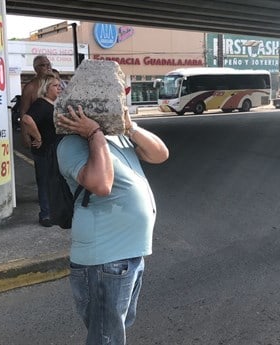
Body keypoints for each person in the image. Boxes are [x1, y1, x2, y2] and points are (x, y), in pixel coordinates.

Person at [56, 104, 169, 344]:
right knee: (106, 338)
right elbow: (101, 184)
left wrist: (130, 127)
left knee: (116, 330)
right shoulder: (72, 145)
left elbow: (160, 154)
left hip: (130, 254)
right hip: (104, 258)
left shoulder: (120, 137)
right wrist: (94, 133)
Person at [20, 76, 63, 227]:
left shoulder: (54, 104)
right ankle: (45, 214)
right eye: (55, 86)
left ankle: (54, 211)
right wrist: (37, 137)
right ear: (46, 88)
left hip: (55, 149)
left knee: (55, 181)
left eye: (59, 85)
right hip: (44, 150)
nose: (59, 88)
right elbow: (27, 119)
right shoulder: (41, 103)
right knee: (45, 181)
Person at [20, 55, 54, 147]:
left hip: (54, 133)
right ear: (36, 69)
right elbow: (23, 111)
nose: (48, 67)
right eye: (43, 65)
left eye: (49, 64)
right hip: (37, 132)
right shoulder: (31, 87)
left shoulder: (54, 83)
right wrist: (25, 135)